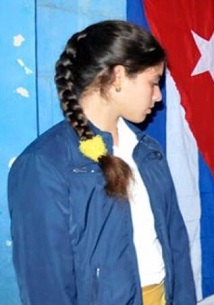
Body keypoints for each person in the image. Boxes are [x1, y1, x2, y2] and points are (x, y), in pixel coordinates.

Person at [8, 20, 196, 305]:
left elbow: (176, 246)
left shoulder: (147, 151)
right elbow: (46, 286)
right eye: (153, 82)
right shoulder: (44, 165)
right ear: (118, 77)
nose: (158, 96)